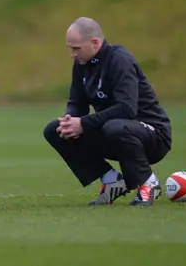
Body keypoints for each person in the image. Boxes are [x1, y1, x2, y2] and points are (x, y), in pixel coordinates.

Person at [43, 17, 172, 206]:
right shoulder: (81, 64)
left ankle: (148, 183)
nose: (72, 54)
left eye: (76, 48)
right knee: (55, 130)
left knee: (115, 127)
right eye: (70, 48)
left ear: (95, 43)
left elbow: (127, 109)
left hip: (153, 135)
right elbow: (76, 102)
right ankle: (112, 181)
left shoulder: (120, 60)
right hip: (113, 133)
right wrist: (70, 119)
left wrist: (84, 124)